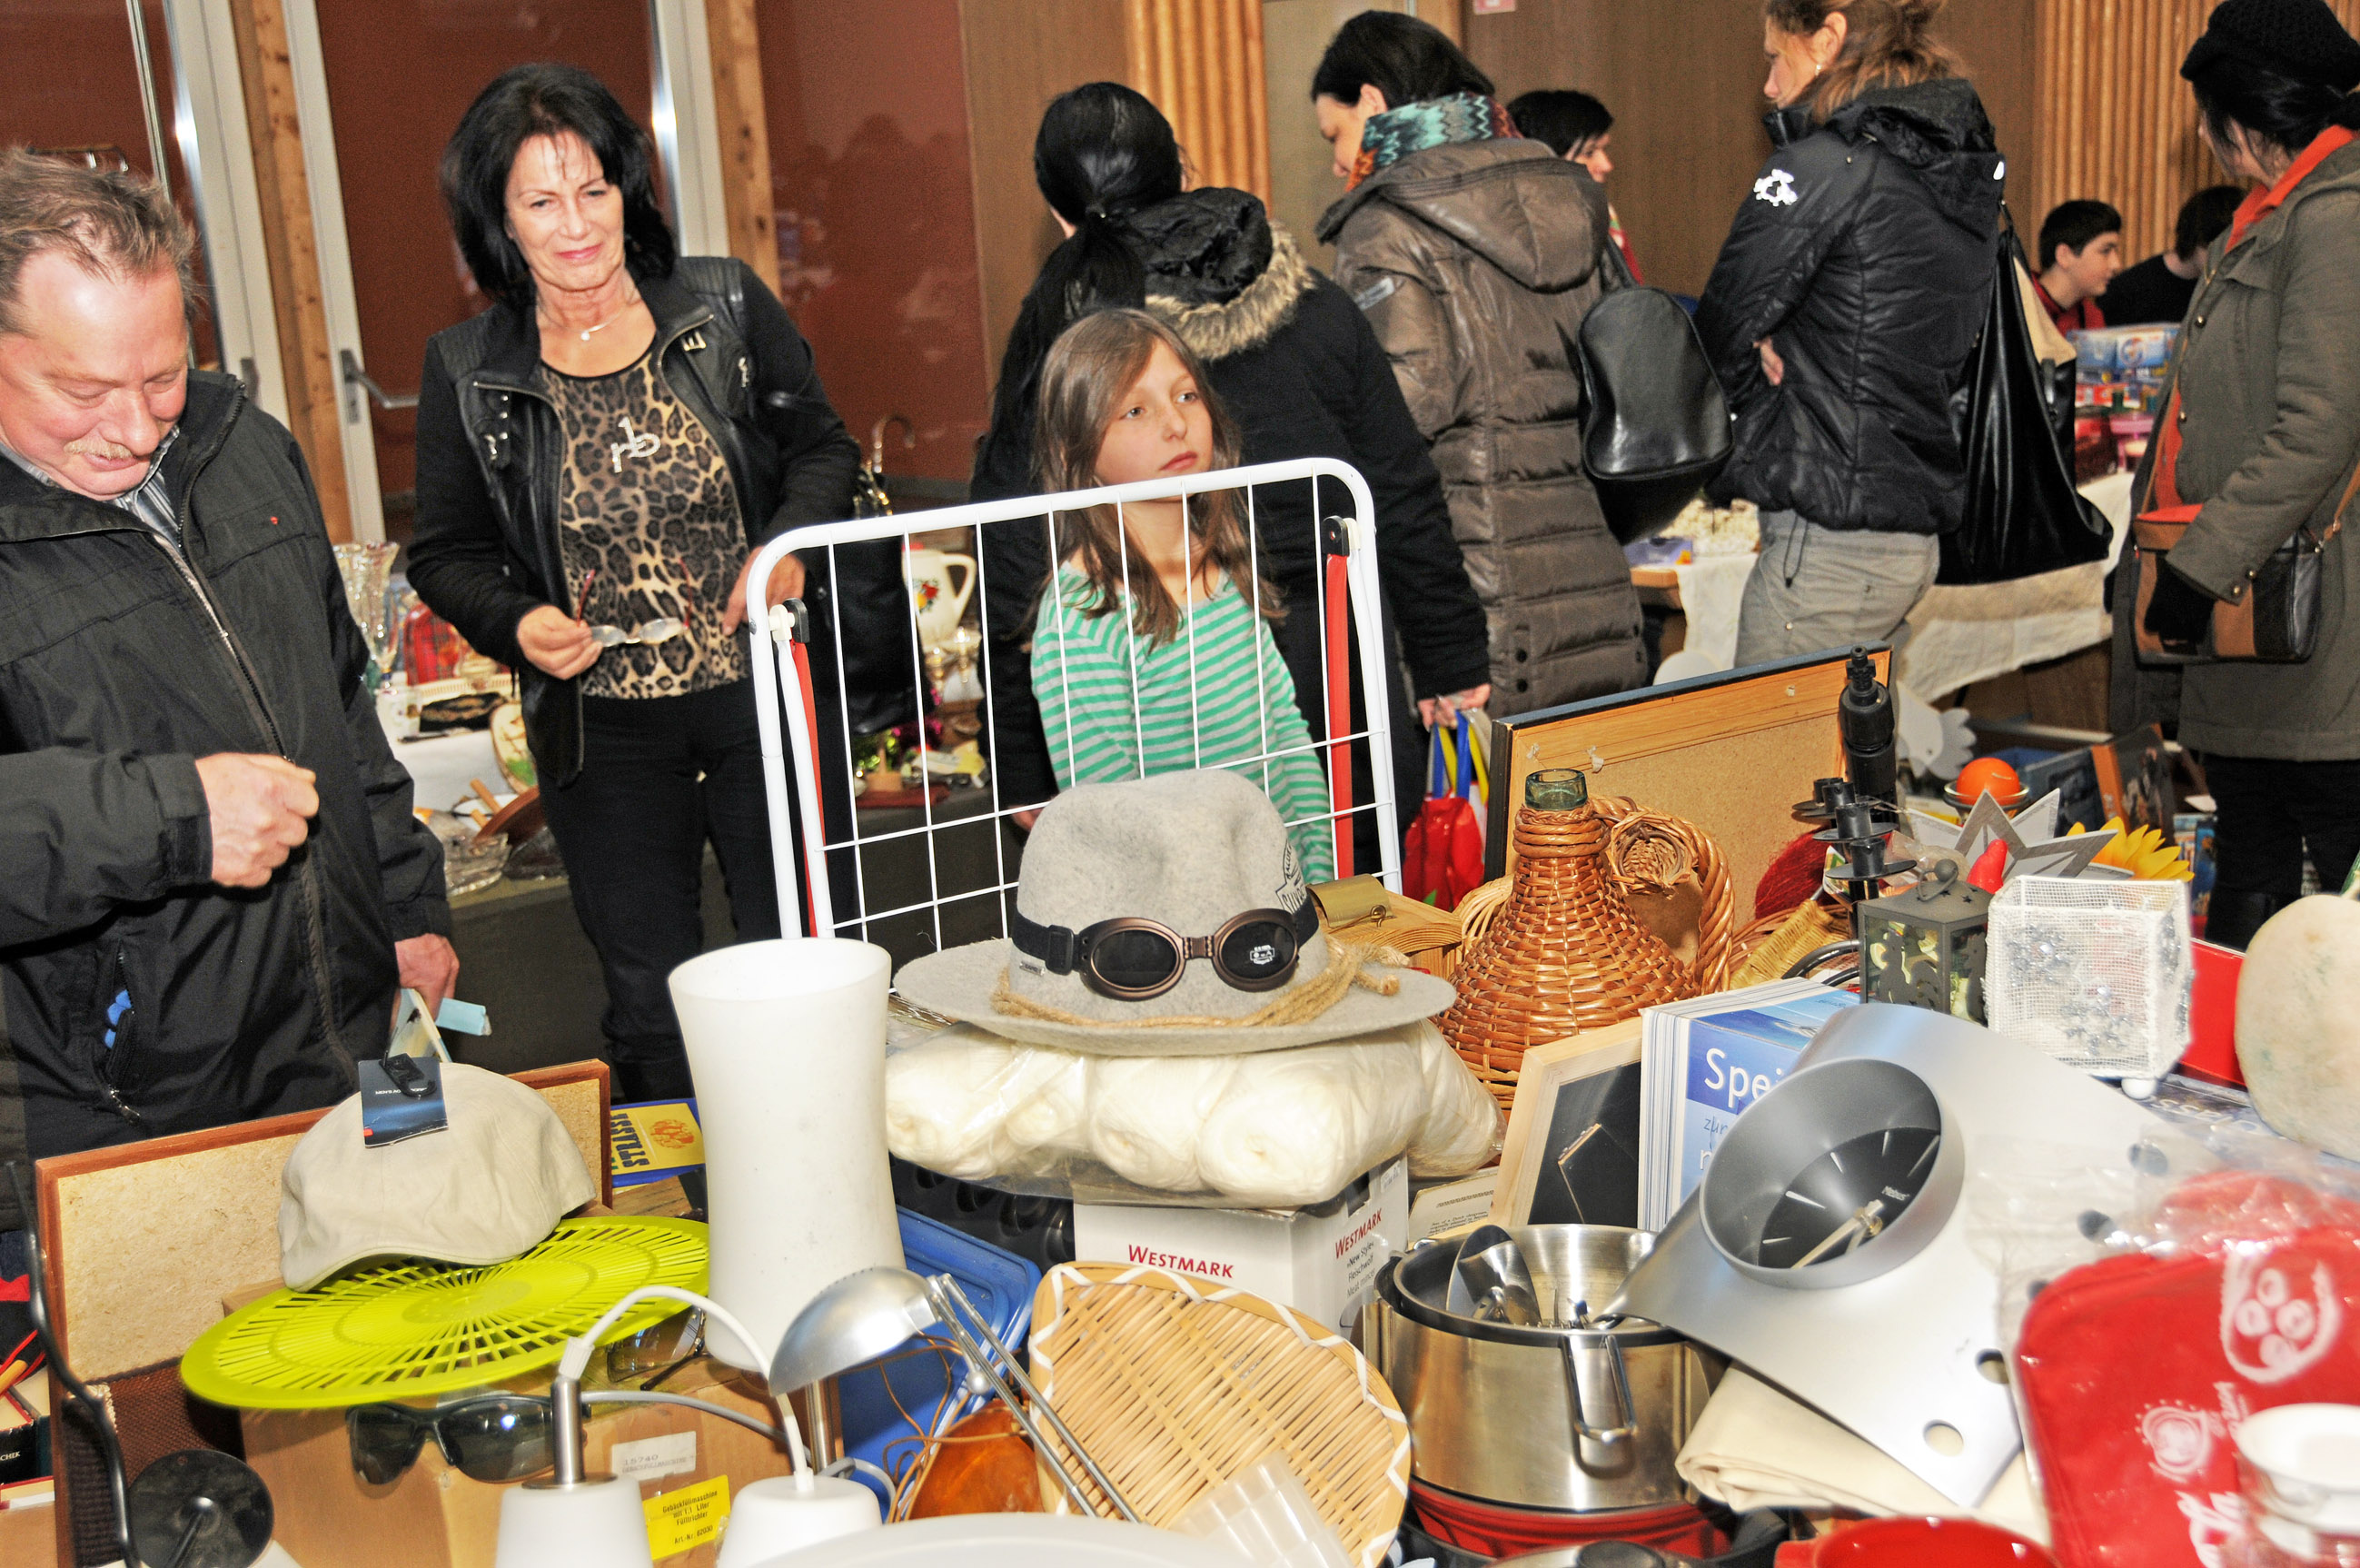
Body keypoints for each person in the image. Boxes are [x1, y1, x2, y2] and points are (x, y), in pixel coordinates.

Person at [0, 149, 454, 1230]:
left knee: (405, 1289)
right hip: (125, 1117)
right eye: (83, 391)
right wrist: (175, 817)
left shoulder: (241, 443)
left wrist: (409, 911)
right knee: (203, 1339)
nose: (136, 426)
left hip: (358, 1042)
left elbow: (340, 704)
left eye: (161, 375)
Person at [407, 65, 862, 1104]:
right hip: (601, 730)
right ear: (499, 221)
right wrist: (517, 619)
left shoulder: (722, 305)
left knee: (807, 962)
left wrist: (784, 543)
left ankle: (829, 1161)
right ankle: (692, 1193)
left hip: (759, 699)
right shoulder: (468, 369)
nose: (576, 225)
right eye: (541, 201)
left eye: (593, 190)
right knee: (653, 1004)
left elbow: (823, 447)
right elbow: (444, 554)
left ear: (627, 189)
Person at [970, 81, 1491, 858]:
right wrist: (1449, 652)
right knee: (1353, 890)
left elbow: (1015, 535)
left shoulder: (1076, 332)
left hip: (1161, 659)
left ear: (1058, 210)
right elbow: (1398, 481)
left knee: (1185, 895)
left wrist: (1018, 757)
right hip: (1334, 643)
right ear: (1180, 169)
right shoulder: (1309, 296)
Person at [1314, 12, 1645, 711]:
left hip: (1480, 609)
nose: (1338, 164)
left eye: (1334, 135)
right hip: (1601, 588)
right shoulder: (1573, 196)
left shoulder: (1386, 223)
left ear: (1372, 102)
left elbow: (1397, 431)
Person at [2119, 0, 2360, 950]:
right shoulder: (2262, 221)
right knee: (2249, 871)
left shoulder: (2336, 219)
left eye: (2207, 112)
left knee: (2333, 881)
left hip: (2312, 619)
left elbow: (2321, 426)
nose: (2199, 136)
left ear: (2252, 112)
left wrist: (2198, 564)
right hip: (2241, 615)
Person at [1695, 0, 2003, 666]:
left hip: (1830, 533)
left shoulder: (1827, 165)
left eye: (1775, 58)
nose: (1769, 86)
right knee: (1856, 735)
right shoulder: (1953, 165)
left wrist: (1764, 398)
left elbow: (1720, 330)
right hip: (1906, 525)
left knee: (1776, 738)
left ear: (1827, 38)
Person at [1026, 310, 1335, 882]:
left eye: (1187, 395)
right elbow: (1112, 822)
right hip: (1181, 910)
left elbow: (1286, 733)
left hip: (1285, 890)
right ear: (1077, 451)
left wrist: (1319, 870)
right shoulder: (1081, 618)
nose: (1176, 424)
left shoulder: (1226, 568)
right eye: (1135, 410)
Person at [1504, 88, 1643, 278]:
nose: (1606, 165)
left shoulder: (1601, 212)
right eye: (1589, 153)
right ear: (1542, 158)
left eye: (1603, 149)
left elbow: (1632, 287)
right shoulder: (1516, 230)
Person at [2101, 184, 2244, 325]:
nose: (2229, 262)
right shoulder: (2128, 291)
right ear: (2195, 238)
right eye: (2220, 250)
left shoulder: (2237, 289)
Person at [2034, 198, 2126, 332]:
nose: (2116, 264)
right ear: (2064, 255)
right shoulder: (2015, 304)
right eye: (2105, 251)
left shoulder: (2091, 317)